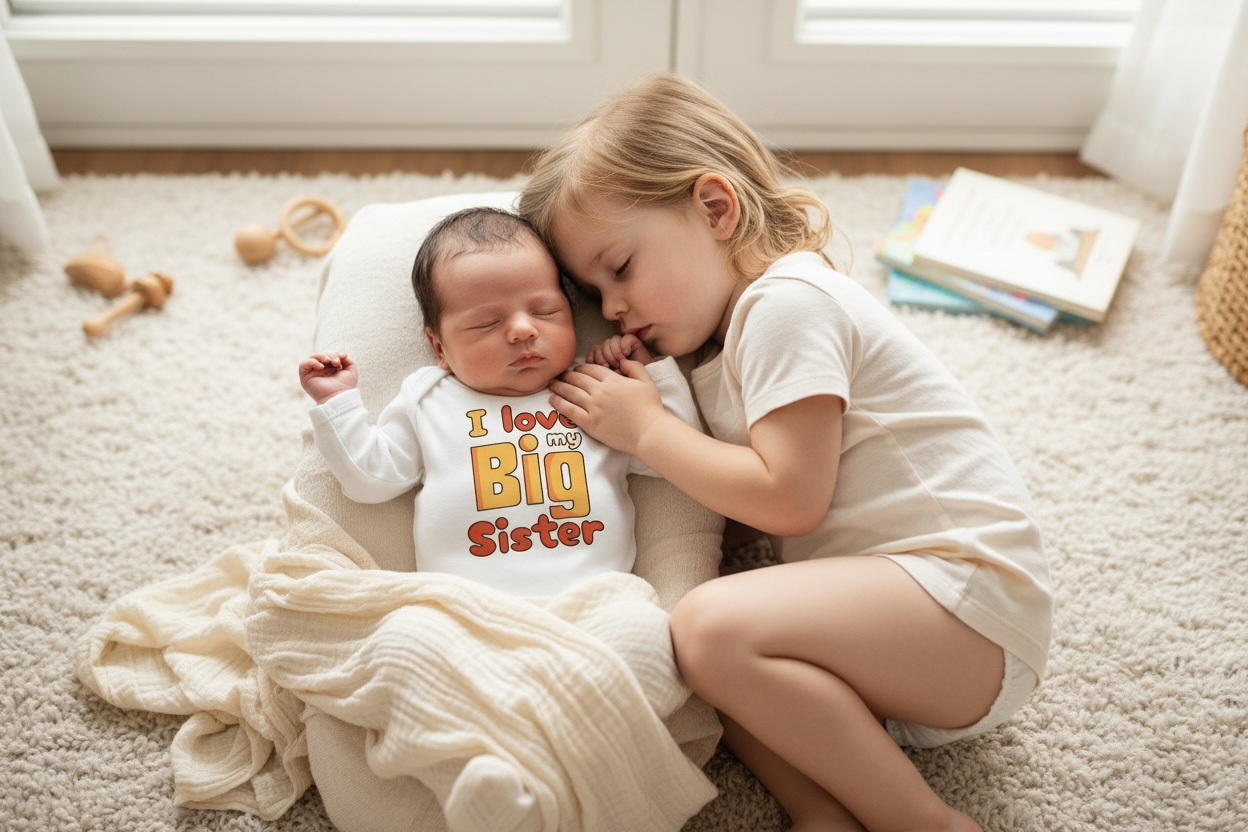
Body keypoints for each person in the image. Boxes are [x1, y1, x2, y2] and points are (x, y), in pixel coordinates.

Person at [523, 73, 1053, 832]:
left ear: (714, 208)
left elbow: (790, 499)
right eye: (592, 289)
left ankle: (923, 821)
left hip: (968, 603)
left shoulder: (786, 304)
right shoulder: (715, 346)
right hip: (900, 645)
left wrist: (646, 430)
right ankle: (820, 809)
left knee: (708, 623)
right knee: (684, 634)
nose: (611, 308)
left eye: (621, 268)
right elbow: (747, 508)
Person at [298, 205, 702, 598]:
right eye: (486, 323)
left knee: (643, 638)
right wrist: (339, 403)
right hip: (466, 607)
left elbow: (670, 460)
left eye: (545, 311)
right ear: (440, 348)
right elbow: (371, 480)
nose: (523, 330)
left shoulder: (597, 388)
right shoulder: (430, 399)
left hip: (595, 596)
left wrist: (650, 376)